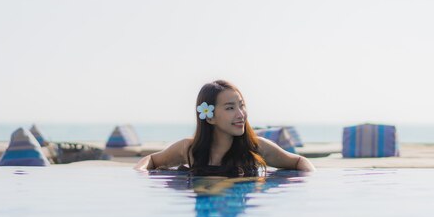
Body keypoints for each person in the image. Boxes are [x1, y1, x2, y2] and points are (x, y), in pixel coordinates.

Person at [135, 80, 316, 175]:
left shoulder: (256, 147)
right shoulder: (188, 149)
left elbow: (300, 162)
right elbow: (151, 160)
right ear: (210, 117)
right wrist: (140, 174)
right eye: (230, 108)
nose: (240, 114)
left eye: (241, 105)